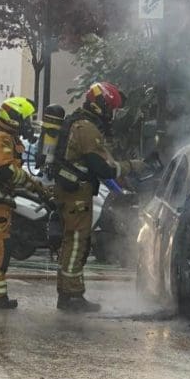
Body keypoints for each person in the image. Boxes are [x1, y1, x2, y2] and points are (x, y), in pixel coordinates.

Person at [54, 82, 145, 312]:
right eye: (111, 109)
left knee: (73, 243)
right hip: (76, 195)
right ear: (101, 105)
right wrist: (133, 166)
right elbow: (102, 168)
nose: (111, 115)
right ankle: (72, 296)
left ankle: (68, 293)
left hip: (73, 192)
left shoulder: (79, 123)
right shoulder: (86, 128)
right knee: (77, 244)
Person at [0, 96, 50, 309]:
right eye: (25, 119)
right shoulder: (1, 139)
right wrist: (31, 183)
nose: (28, 124)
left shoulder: (2, 137)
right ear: (14, 119)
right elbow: (6, 170)